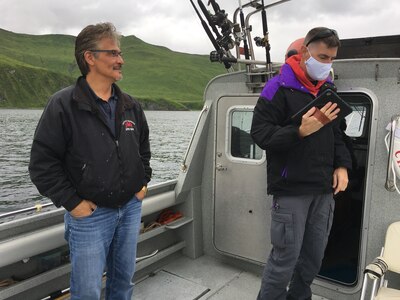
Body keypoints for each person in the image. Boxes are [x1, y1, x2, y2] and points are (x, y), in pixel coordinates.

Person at [29, 22, 152, 300]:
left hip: (130, 210)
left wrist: (142, 183)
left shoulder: (130, 104)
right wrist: (73, 203)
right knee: (87, 292)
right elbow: (42, 164)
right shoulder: (63, 105)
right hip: (91, 217)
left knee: (123, 282)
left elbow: (143, 149)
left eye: (120, 53)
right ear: (90, 57)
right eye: (112, 53)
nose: (120, 60)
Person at [250, 27, 352, 300]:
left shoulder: (328, 89)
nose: (327, 64)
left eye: (331, 59)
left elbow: (337, 133)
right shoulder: (277, 87)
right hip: (291, 190)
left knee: (312, 259)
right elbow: (260, 134)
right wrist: (299, 131)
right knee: (284, 260)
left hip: (323, 191)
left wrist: (342, 165)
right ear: (306, 52)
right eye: (322, 57)